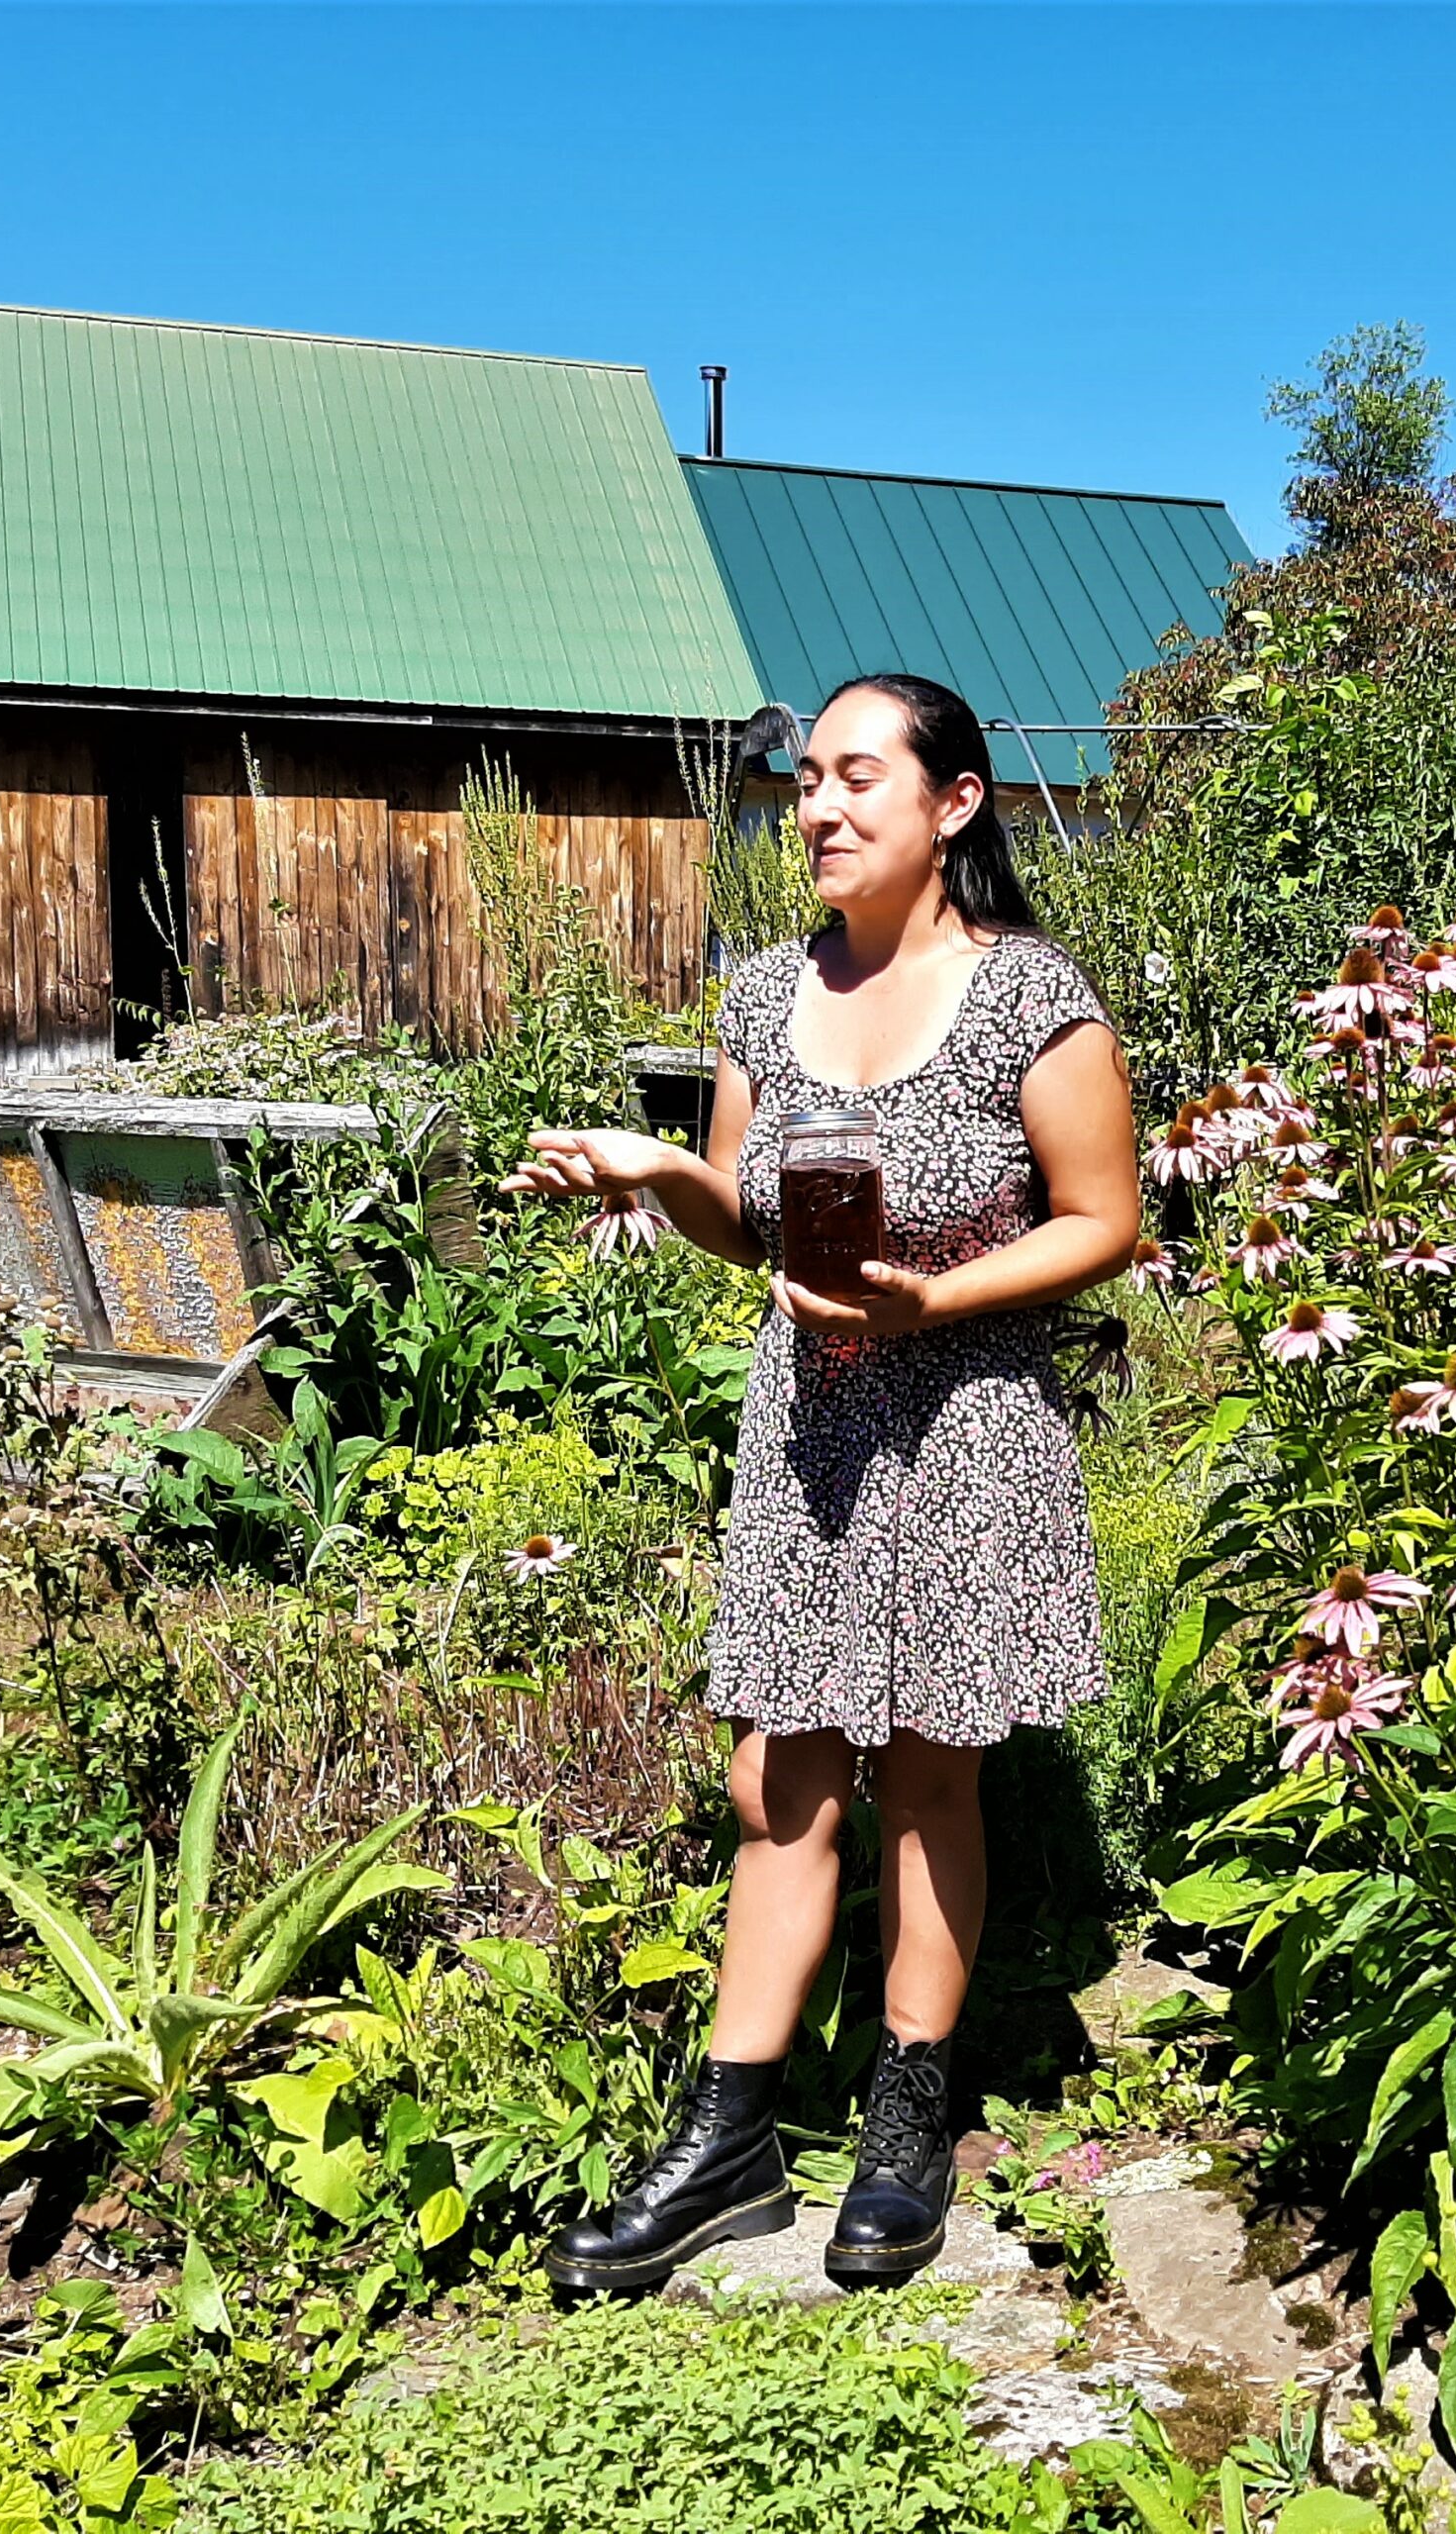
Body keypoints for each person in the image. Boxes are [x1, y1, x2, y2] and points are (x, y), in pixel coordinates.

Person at [500, 671, 1138, 2291]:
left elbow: (1102, 1221)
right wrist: (663, 1176)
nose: (822, 806)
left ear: (955, 804)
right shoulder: (759, 997)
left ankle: (907, 2125)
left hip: (966, 1426)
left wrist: (937, 1295)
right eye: (806, 782)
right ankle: (727, 2142)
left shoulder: (1030, 999)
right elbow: (749, 1221)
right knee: (777, 1781)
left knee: (928, 1779)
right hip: (808, 1437)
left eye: (860, 777)